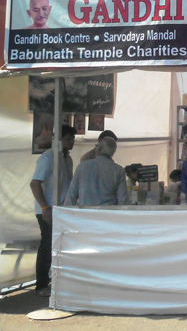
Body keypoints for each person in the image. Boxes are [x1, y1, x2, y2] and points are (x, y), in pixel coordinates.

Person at [29, 124, 76, 297]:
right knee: (47, 245)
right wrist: (45, 207)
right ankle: (41, 285)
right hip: (47, 209)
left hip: (61, 209)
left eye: (72, 139)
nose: (71, 142)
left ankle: (57, 280)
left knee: (60, 245)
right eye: (68, 139)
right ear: (58, 139)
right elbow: (35, 184)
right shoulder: (48, 157)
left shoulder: (67, 158)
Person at [64, 137, 128, 206]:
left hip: (84, 214)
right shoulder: (118, 170)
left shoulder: (82, 167)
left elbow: (71, 196)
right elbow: (123, 200)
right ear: (113, 152)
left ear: (99, 149)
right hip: (107, 214)